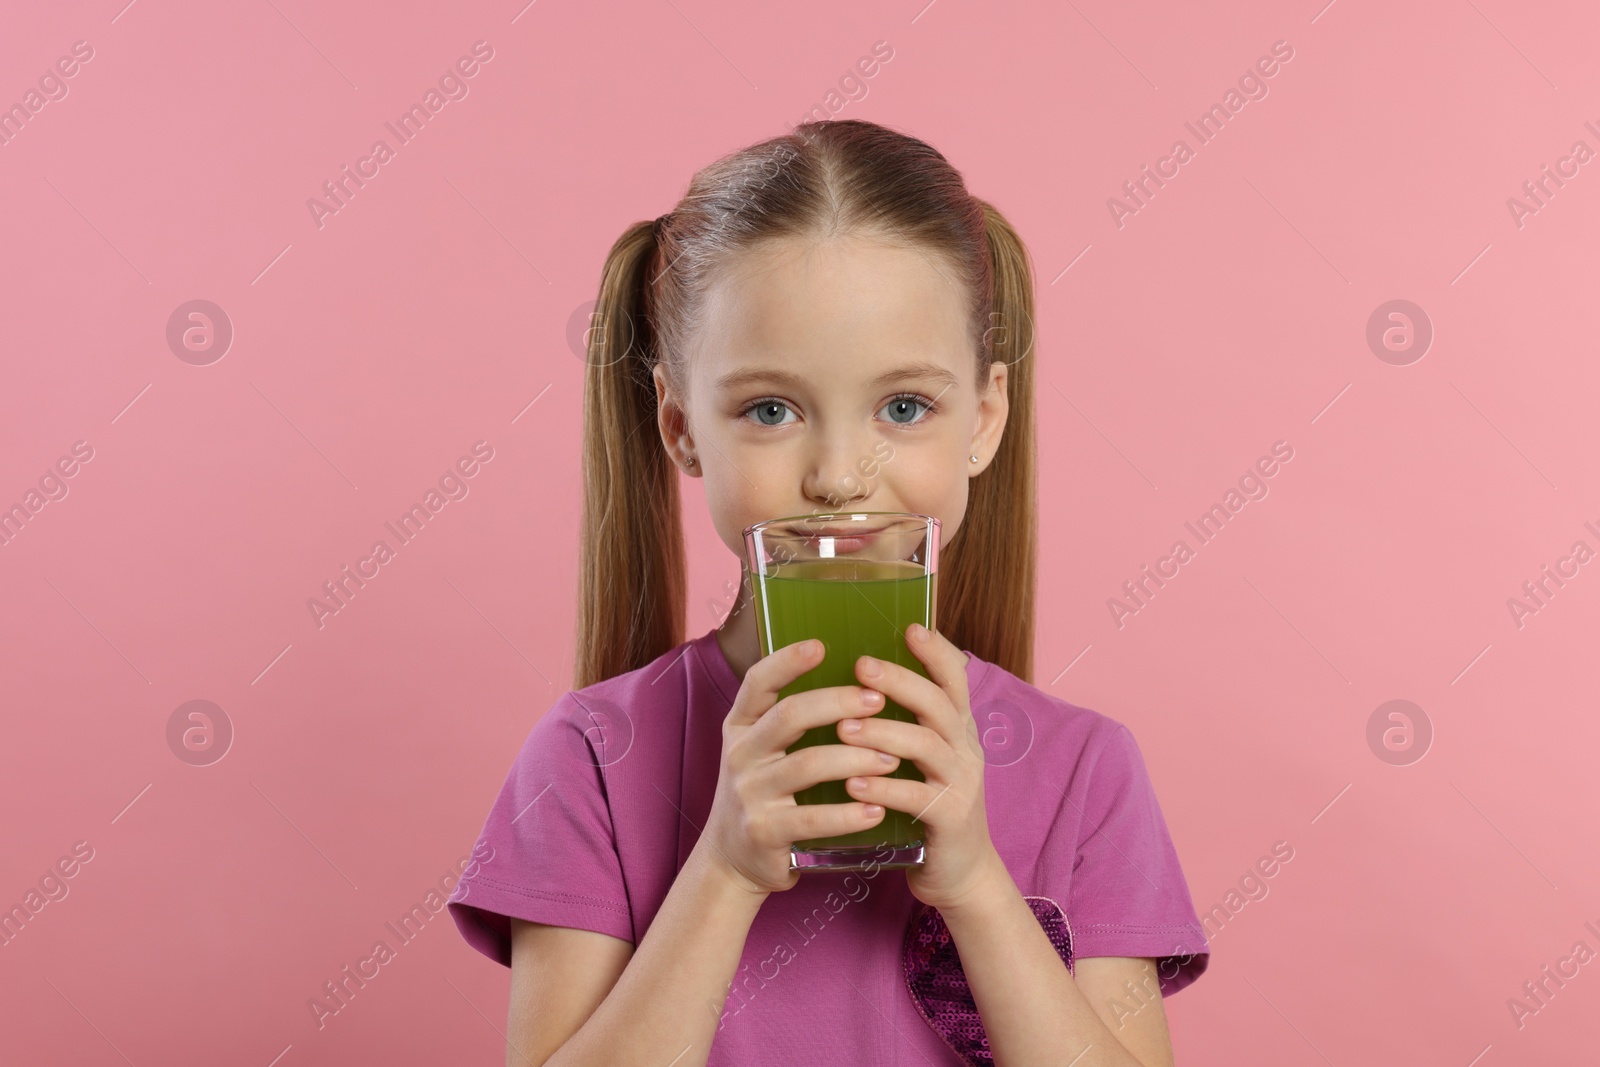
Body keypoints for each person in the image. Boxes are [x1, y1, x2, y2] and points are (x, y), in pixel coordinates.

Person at [447, 118, 1209, 1067]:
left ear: (984, 418)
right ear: (682, 430)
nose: (841, 476)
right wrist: (722, 869)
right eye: (770, 409)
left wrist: (976, 886)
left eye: (904, 406)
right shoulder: (592, 759)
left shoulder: (1085, 773)